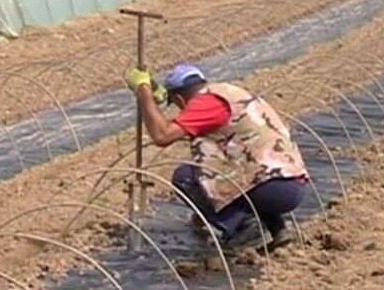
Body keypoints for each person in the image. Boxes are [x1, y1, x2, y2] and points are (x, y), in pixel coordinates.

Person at [125, 63, 309, 250]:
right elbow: (175, 126)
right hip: (290, 181)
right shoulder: (227, 95)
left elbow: (162, 135)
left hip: (270, 187)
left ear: (180, 100)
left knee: (185, 176)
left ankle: (245, 228)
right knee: (246, 169)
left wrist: (144, 92)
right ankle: (277, 229)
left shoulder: (205, 103)